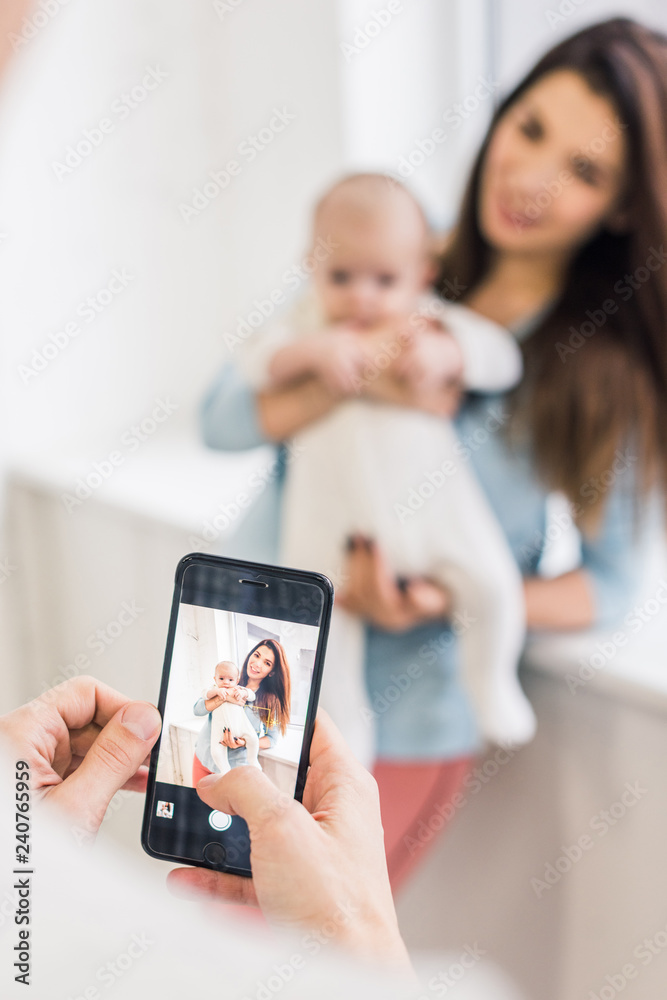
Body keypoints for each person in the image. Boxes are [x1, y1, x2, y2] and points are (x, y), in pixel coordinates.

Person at [201, 16, 667, 888]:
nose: (529, 176)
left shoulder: (598, 374)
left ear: (623, 204)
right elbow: (222, 420)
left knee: (304, 947)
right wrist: (349, 375)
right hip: (243, 653)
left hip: (404, 716)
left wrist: (429, 599)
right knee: (197, 915)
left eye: (583, 169)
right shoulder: (388, 250)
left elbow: (608, 586)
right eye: (529, 129)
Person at [236, 172, 536, 762]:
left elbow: (502, 357)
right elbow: (255, 361)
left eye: (385, 280)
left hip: (435, 511)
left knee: (495, 586)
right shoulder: (308, 322)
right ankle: (346, 738)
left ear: (423, 273)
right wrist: (313, 353)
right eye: (340, 277)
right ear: (311, 266)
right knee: (317, 636)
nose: (362, 297)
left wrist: (450, 352)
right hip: (329, 519)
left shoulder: (427, 320)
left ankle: (492, 680)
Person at [0, 676, 423, 998]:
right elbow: (200, 708)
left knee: (244, 793)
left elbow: (271, 734)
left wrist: (250, 737)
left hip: (246, 758)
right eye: (246, 664)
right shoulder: (220, 693)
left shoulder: (259, 704)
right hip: (210, 756)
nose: (252, 670)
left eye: (265, 664)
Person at [192, 639, 290, 784]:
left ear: (272, 672)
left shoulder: (270, 702)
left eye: (267, 663)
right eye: (256, 655)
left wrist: (243, 742)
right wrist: (224, 698)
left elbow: (272, 739)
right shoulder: (228, 678)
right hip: (202, 758)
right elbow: (197, 710)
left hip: (233, 770)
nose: (257, 664)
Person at [202, 659, 260, 775]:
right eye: (221, 679)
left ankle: (253, 760)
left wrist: (244, 693)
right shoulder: (214, 688)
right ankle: (224, 769)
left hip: (241, 725)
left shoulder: (238, 689)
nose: (226, 683)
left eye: (230, 679)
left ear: (237, 680)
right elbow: (204, 694)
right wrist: (217, 692)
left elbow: (252, 695)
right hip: (220, 729)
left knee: (253, 739)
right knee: (216, 751)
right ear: (215, 679)